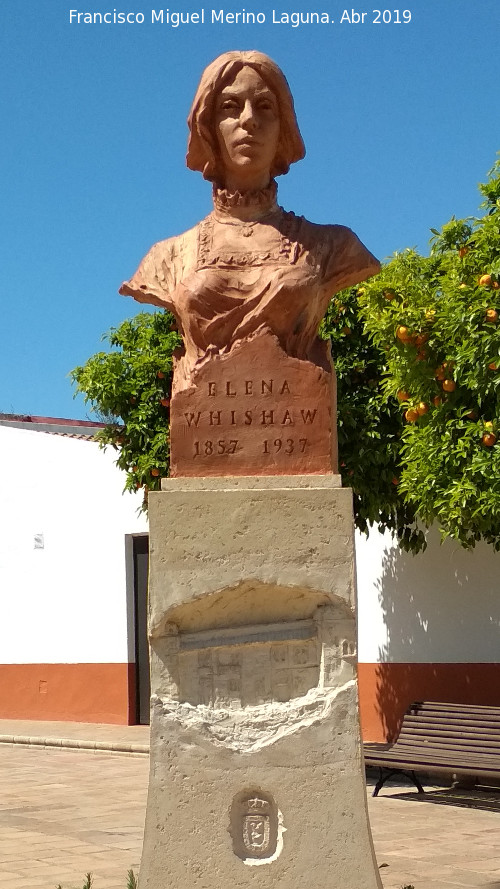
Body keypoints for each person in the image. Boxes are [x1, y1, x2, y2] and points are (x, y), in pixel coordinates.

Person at [120, 51, 380, 391]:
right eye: (230, 107)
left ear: (283, 125)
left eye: (264, 106)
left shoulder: (334, 247)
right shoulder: (167, 257)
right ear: (208, 126)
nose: (249, 120)